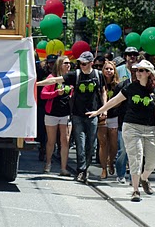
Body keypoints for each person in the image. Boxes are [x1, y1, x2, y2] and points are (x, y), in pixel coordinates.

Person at [88, 60, 155, 202]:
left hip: (150, 129)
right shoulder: (131, 88)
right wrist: (99, 111)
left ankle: (144, 178)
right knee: (136, 158)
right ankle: (135, 190)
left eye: (141, 70)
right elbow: (114, 101)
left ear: (148, 73)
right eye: (137, 70)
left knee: (153, 161)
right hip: (131, 127)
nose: (138, 73)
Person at [37, 51, 106, 182]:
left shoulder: (98, 75)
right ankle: (80, 170)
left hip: (93, 114)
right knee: (80, 143)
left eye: (85, 63)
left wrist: (104, 109)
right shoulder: (76, 74)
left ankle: (85, 169)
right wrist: (36, 84)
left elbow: (103, 92)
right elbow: (54, 80)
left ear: (91, 63)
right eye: (80, 63)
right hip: (77, 115)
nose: (82, 65)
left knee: (91, 145)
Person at [40, 55, 72, 176]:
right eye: (66, 63)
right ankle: (48, 163)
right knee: (51, 141)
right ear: (60, 65)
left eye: (69, 63)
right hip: (52, 113)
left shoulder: (71, 78)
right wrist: (56, 93)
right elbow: (43, 94)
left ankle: (63, 168)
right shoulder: (52, 78)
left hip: (65, 113)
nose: (68, 65)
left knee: (65, 140)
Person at [99, 60, 120, 179]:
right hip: (101, 117)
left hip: (114, 116)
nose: (108, 71)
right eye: (106, 69)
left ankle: (110, 162)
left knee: (113, 145)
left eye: (111, 69)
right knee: (103, 143)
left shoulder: (117, 85)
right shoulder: (99, 82)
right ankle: (103, 168)